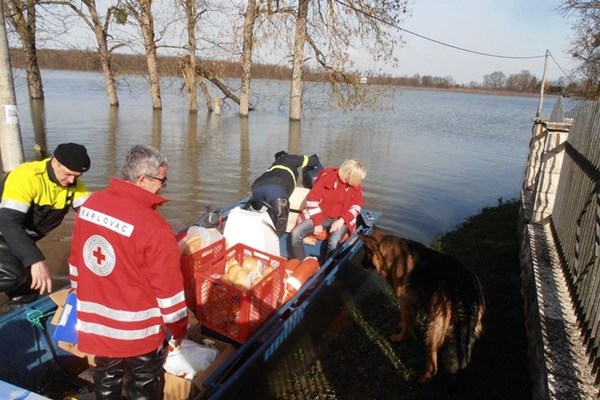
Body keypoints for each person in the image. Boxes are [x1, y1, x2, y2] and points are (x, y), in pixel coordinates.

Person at [68, 145, 188, 399]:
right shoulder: (154, 226)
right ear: (143, 180)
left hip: (97, 324)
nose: (163, 187)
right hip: (138, 330)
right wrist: (178, 328)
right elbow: (168, 290)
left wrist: (79, 291)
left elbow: (77, 260)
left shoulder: (90, 205)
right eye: (161, 181)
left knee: (106, 378)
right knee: (144, 383)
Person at [0, 142, 91, 307]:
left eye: (76, 176)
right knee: (12, 274)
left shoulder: (74, 185)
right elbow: (8, 222)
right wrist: (35, 260)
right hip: (4, 231)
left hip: (19, 238)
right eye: (68, 174)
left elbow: (94, 217)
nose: (71, 180)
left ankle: (17, 320)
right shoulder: (27, 176)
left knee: (30, 288)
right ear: (55, 162)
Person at [290, 159, 366, 260]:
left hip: (340, 219)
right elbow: (312, 200)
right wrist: (317, 223)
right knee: (296, 234)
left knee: (334, 242)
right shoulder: (327, 178)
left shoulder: (356, 186)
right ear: (348, 176)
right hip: (321, 216)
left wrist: (343, 220)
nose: (359, 182)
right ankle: (299, 263)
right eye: (358, 179)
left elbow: (357, 206)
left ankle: (326, 269)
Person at [250, 151, 320, 235]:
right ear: (286, 155)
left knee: (256, 220)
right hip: (276, 191)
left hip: (256, 188)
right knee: (279, 228)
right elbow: (312, 161)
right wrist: (315, 158)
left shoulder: (273, 166)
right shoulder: (289, 158)